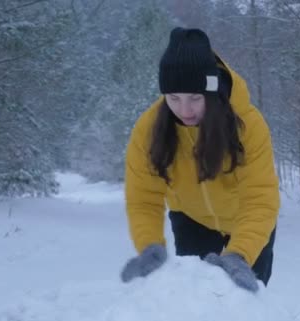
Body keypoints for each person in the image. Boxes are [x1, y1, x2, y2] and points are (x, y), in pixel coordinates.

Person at [119, 27, 280, 293]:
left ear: (212, 91)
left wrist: (240, 254)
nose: (184, 110)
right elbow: (144, 197)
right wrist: (150, 245)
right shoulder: (148, 130)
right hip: (192, 221)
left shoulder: (247, 124)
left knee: (245, 297)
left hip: (248, 220)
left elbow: (260, 197)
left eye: (195, 98)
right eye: (173, 98)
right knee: (197, 297)